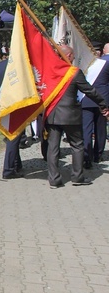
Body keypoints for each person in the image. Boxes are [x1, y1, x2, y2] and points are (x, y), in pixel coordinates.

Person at [46, 45, 109, 189]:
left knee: (53, 147)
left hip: (53, 114)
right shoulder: (73, 72)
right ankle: (77, 176)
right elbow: (89, 90)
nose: (74, 57)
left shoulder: (49, 71)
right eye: (73, 54)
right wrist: (103, 104)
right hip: (70, 115)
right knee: (77, 145)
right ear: (68, 55)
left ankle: (54, 179)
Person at [0, 53, 23, 179]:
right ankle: (8, 169)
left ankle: (16, 165)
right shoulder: (20, 68)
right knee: (13, 138)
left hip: (1, 107)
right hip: (15, 107)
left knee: (12, 138)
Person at [81, 46, 109, 168]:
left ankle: (87, 156)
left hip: (86, 99)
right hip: (102, 100)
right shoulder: (105, 64)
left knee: (86, 129)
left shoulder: (83, 65)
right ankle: (97, 154)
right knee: (100, 129)